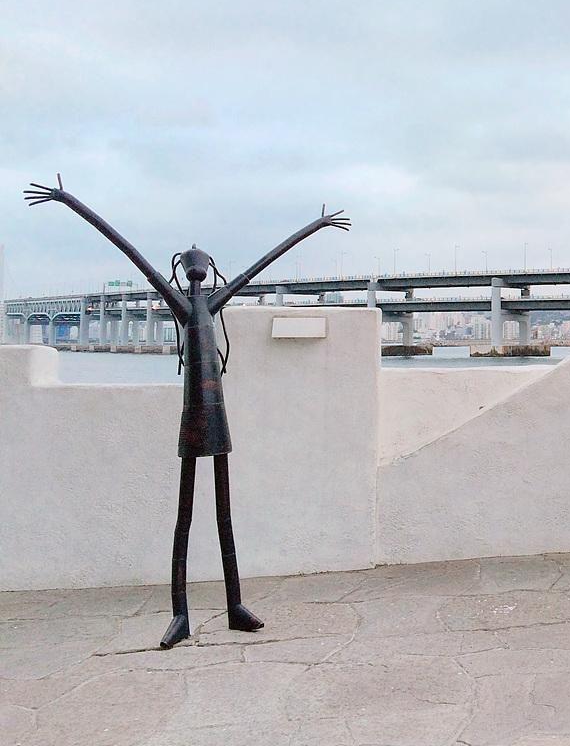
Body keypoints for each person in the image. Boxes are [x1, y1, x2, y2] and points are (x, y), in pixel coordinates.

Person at [25, 175, 350, 648]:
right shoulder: (182, 303)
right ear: (186, 272)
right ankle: (181, 612)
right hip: (193, 417)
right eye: (193, 266)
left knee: (224, 514)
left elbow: (264, 262)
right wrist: (68, 199)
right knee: (185, 516)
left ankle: (234, 603)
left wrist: (316, 225)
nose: (198, 272)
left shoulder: (211, 301)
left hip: (217, 413)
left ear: (206, 271)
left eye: (201, 266)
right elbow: (127, 247)